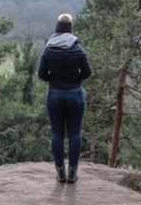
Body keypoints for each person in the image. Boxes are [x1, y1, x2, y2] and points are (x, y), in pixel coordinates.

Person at [37, 13, 92, 184]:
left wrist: (53, 78)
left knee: (57, 133)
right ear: (70, 30)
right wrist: (75, 77)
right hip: (75, 94)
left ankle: (60, 172)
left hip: (54, 94)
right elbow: (87, 72)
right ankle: (72, 173)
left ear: (57, 28)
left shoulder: (48, 49)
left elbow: (41, 74)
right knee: (75, 133)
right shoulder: (78, 49)